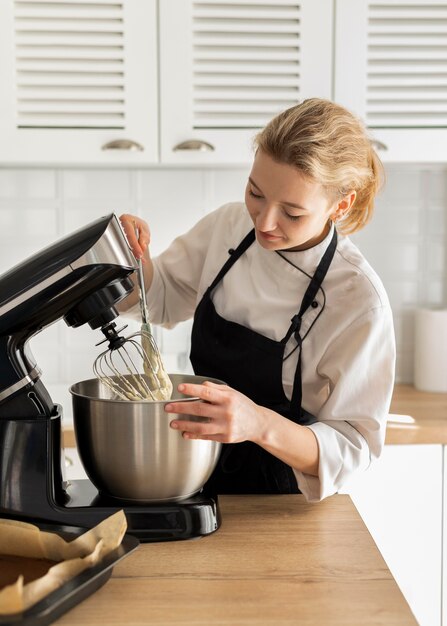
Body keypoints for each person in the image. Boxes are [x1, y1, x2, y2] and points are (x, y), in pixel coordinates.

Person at [119, 98, 396, 502]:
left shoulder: (358, 301)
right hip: (196, 474)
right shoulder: (229, 226)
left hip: (283, 504)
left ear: (340, 204)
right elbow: (160, 297)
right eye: (256, 193)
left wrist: (258, 423)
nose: (265, 222)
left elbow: (354, 447)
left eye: (292, 213)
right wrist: (131, 259)